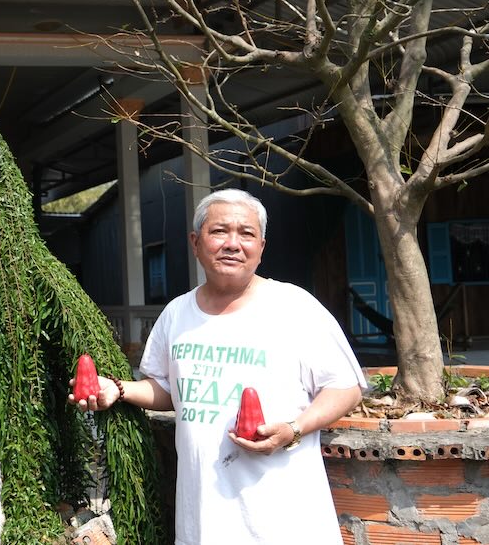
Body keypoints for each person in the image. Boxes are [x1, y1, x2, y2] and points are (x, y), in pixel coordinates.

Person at [71, 188, 366, 545]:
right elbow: (169, 391)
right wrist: (117, 389)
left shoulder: (296, 307)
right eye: (219, 231)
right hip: (203, 524)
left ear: (261, 246)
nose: (232, 243)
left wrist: (294, 429)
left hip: (285, 523)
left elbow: (345, 387)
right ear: (195, 242)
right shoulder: (176, 314)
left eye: (246, 233)